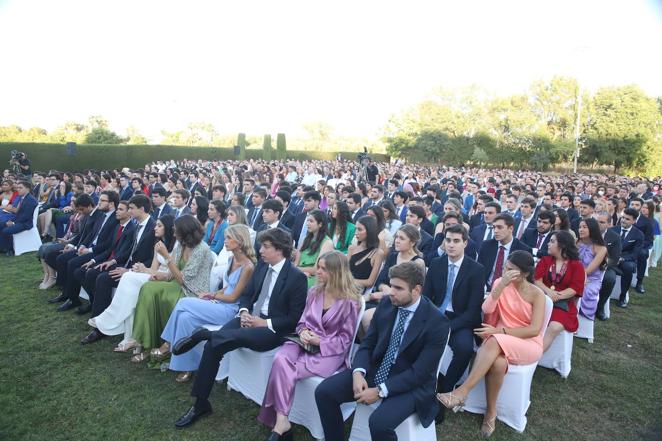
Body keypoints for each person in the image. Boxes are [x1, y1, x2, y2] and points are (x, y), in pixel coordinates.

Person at [170, 228, 307, 429]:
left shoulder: (296, 277)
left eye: (266, 247)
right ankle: (201, 404)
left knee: (218, 339)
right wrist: (243, 312)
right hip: (249, 318)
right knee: (213, 346)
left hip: (273, 330)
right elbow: (247, 295)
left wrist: (263, 323)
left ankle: (205, 334)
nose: (260, 250)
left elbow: (294, 319)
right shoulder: (262, 266)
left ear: (280, 250)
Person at [315, 261, 448, 441]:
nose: (391, 292)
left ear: (416, 290)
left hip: (412, 384)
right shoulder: (387, 304)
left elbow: (420, 373)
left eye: (398, 288)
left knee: (379, 423)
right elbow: (368, 344)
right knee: (324, 392)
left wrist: (380, 391)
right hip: (377, 369)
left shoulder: (437, 322)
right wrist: (358, 372)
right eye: (391, 285)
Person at [437, 251, 546, 438]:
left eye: (511, 270)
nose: (506, 272)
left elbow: (534, 330)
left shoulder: (537, 294)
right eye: (505, 267)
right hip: (499, 340)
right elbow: (486, 309)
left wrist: (500, 332)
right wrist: (502, 285)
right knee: (498, 364)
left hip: (526, 342)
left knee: (494, 340)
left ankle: (462, 392)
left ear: (525, 273)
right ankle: (491, 413)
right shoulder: (500, 283)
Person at [258, 251, 362, 440]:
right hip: (302, 341)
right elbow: (302, 321)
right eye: (318, 267)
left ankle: (281, 422)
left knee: (286, 368)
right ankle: (283, 420)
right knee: (280, 358)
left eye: (324, 269)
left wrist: (319, 341)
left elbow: (345, 340)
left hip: (328, 352)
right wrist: (304, 331)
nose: (318, 271)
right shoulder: (314, 291)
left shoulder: (350, 302)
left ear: (336, 272)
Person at [162, 224, 256, 382]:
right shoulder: (232, 259)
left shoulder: (248, 267)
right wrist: (213, 295)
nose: (224, 241)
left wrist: (213, 295)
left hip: (230, 312)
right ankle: (187, 367)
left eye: (228, 238)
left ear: (240, 241)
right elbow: (228, 287)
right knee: (185, 318)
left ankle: (168, 344)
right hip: (219, 305)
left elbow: (233, 297)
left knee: (184, 303)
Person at [130, 215, 215, 362]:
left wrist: (165, 256)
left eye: (177, 232)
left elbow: (183, 279)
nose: (174, 235)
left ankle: (165, 345)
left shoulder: (202, 249)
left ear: (186, 232)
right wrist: (159, 277)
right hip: (177, 284)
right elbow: (171, 274)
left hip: (192, 290)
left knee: (166, 297)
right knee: (148, 288)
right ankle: (146, 342)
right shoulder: (182, 244)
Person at [423, 224, 485, 422]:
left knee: (465, 349)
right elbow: (427, 297)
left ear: (465, 243)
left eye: (456, 241)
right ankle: (421, 384)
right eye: (448, 240)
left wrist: (449, 327)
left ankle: (446, 390)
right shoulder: (436, 264)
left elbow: (473, 309)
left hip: (461, 320)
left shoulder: (476, 269)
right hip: (435, 316)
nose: (451, 245)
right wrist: (432, 321)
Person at [88, 215, 176, 351]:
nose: (155, 228)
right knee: (130, 281)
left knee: (128, 277)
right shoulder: (158, 244)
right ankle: (126, 334)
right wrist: (142, 268)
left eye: (159, 225)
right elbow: (152, 269)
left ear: (168, 228)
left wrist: (145, 270)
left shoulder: (176, 246)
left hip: (165, 279)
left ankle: (110, 318)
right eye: (156, 225)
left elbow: (171, 273)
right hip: (154, 275)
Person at [362, 224, 425, 330]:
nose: (397, 240)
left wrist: (383, 293)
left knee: (366, 318)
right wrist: (385, 289)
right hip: (384, 298)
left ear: (412, 242)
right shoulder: (392, 256)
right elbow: (380, 281)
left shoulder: (417, 262)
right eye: (396, 237)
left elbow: (411, 292)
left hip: (402, 305)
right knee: (356, 310)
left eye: (402, 238)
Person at [534, 231, 585, 351]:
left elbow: (575, 288)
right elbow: (537, 281)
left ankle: (534, 356)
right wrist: (549, 293)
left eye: (552, 241)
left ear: (562, 245)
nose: (548, 244)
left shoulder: (576, 265)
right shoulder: (545, 260)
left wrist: (557, 296)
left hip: (563, 304)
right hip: (542, 299)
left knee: (555, 326)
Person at [478, 213, 532, 292]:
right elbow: (480, 270)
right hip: (486, 288)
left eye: (499, 227)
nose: (495, 231)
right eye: (494, 227)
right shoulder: (486, 245)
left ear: (511, 228)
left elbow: (526, 279)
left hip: (511, 291)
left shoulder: (523, 250)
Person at [611, 208, 644, 308]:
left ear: (634, 221)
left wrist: (622, 259)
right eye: (623, 217)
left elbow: (635, 254)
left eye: (627, 219)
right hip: (612, 257)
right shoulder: (613, 230)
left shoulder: (638, 234)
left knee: (628, 267)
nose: (623, 220)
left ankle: (623, 295)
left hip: (627, 259)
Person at [576, 218, 607, 320]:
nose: (581, 229)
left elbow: (589, 270)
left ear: (592, 229)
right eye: (580, 227)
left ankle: (577, 319)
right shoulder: (576, 243)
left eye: (584, 227)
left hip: (590, 280)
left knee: (581, 291)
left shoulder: (601, 248)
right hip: (574, 275)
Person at [294, 209, 334, 288]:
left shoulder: (327, 242)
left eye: (311, 221)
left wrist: (299, 270)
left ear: (320, 224)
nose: (308, 224)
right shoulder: (306, 239)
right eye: (307, 221)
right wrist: (300, 271)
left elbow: (316, 269)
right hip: (300, 273)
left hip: (314, 277)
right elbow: (296, 263)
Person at [594, 211, 622, 320]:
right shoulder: (587, 232)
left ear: (609, 224)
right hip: (586, 264)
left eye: (601, 222)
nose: (598, 224)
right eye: (596, 221)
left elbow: (614, 258)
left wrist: (600, 266)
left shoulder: (615, 237)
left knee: (609, 279)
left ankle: (600, 306)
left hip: (604, 266)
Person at [347, 215, 385, 293]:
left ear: (370, 230)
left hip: (357, 291)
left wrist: (348, 281)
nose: (356, 233)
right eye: (356, 229)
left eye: (360, 230)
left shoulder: (377, 253)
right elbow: (344, 271)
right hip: (344, 287)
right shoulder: (351, 248)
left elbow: (370, 282)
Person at [0, 180, 38, 256]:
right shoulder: (23, 198)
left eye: (20, 188)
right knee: (1, 224)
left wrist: (13, 223)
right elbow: (19, 214)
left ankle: (10, 250)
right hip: (20, 221)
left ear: (27, 189)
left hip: (26, 224)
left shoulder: (30, 200)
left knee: (6, 231)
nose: (18, 189)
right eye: (17, 188)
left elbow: (25, 216)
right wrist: (10, 221)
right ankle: (3, 247)